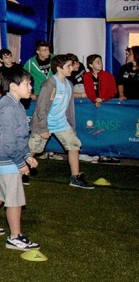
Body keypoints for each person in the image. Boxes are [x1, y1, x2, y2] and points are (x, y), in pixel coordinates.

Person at [0, 68, 40, 250]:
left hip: (6, 158)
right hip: (6, 159)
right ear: (13, 86)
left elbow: (19, 137)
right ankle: (15, 237)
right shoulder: (8, 108)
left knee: (1, 193)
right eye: (27, 83)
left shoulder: (15, 104)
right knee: (14, 198)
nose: (30, 87)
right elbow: (8, 143)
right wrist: (21, 163)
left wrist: (27, 155)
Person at [29, 54, 93, 189]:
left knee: (74, 145)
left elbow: (69, 108)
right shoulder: (49, 84)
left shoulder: (69, 84)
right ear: (59, 68)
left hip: (61, 123)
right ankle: (16, 173)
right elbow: (41, 108)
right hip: (44, 123)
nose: (72, 68)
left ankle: (75, 177)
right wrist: (43, 128)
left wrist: (72, 126)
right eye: (68, 66)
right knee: (33, 149)